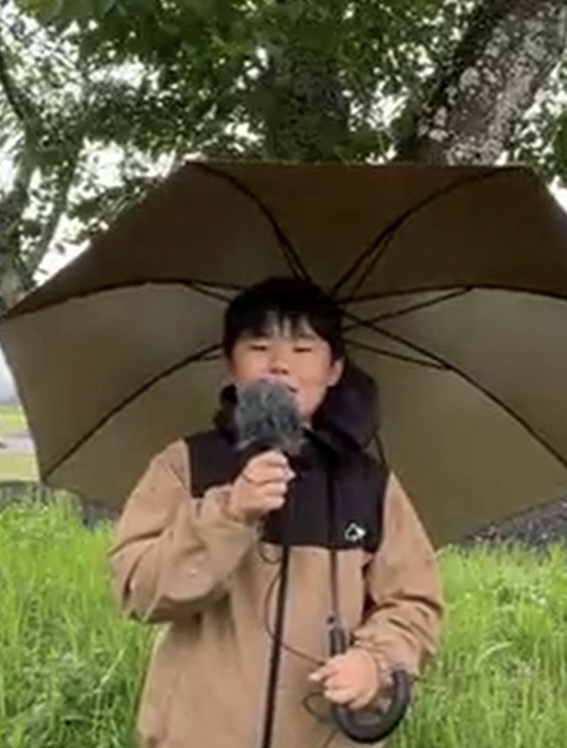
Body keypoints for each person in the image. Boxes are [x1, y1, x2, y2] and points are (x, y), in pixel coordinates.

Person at [108, 276, 444, 748]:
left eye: (303, 349)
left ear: (334, 370)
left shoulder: (370, 485)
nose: (280, 364)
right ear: (230, 365)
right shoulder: (186, 465)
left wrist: (376, 662)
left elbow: (413, 603)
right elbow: (138, 590)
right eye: (259, 346)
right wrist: (230, 513)